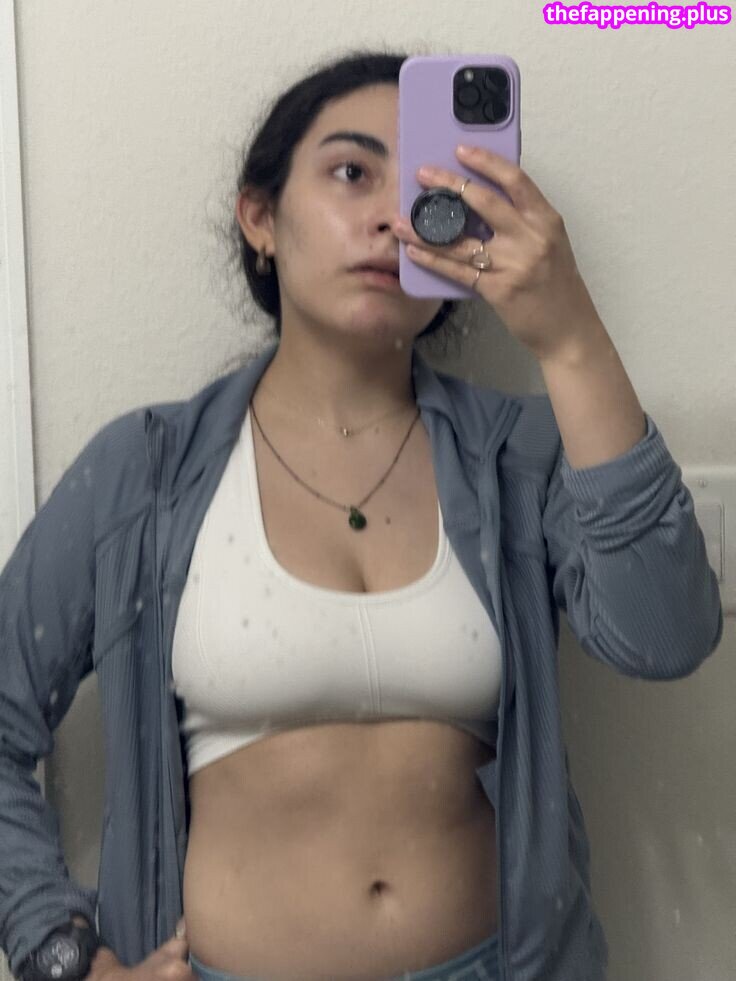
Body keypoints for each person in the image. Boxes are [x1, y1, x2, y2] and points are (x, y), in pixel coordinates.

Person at [0, 48, 723, 981]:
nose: (392, 215)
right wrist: (65, 952)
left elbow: (664, 636)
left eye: (432, 188)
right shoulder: (144, 474)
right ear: (261, 218)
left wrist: (570, 335)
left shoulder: (520, 457)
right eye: (351, 173)